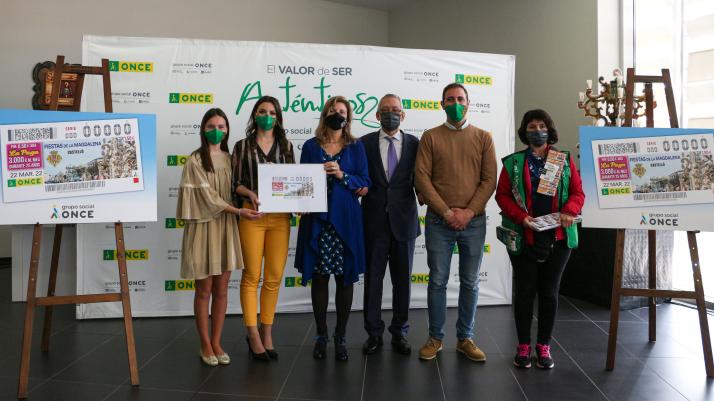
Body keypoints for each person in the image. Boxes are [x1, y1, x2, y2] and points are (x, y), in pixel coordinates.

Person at [495, 109, 584, 369]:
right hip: (525, 236)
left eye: (541, 125)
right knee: (524, 292)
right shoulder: (513, 163)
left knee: (549, 293)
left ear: (550, 129)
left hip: (557, 237)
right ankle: (523, 345)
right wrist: (520, 216)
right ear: (525, 132)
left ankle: (544, 346)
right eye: (531, 126)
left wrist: (570, 211)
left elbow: (578, 192)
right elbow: (502, 195)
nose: (537, 130)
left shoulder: (563, 160)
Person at [414, 83, 497, 362]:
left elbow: (489, 180)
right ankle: (435, 337)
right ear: (441, 104)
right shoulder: (430, 137)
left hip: (473, 223)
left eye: (460, 99)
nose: (456, 103)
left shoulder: (483, 137)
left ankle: (465, 338)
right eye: (450, 99)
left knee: (470, 282)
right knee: (437, 281)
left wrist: (468, 212)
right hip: (439, 221)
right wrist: (448, 213)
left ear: (469, 102)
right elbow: (422, 178)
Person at [176, 108, 262, 366]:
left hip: (226, 228)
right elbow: (208, 199)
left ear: (227, 129)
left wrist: (254, 195)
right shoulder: (194, 160)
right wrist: (238, 211)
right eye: (211, 126)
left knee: (222, 290)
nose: (217, 131)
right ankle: (204, 344)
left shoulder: (231, 158)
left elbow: (238, 186)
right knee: (204, 290)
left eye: (222, 126)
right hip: (204, 228)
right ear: (203, 129)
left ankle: (216, 342)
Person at [295, 96, 371, 361]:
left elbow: (365, 180)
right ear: (324, 114)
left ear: (348, 117)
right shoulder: (310, 146)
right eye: (332, 110)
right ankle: (321, 335)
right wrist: (299, 200)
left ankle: (340, 337)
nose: (337, 114)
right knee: (319, 277)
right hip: (317, 220)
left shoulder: (356, 147)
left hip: (346, 220)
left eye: (342, 111)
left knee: (344, 277)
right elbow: (301, 182)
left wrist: (342, 175)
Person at [232, 96, 295, 361]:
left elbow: (295, 182)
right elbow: (234, 183)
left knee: (273, 277)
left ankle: (267, 331)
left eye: (271, 112)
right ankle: (252, 334)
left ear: (278, 117)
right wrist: (250, 192)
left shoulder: (286, 145)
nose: (267, 115)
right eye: (262, 111)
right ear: (254, 115)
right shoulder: (241, 146)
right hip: (252, 215)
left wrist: (300, 200)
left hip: (280, 218)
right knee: (251, 276)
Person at [359, 94, 420, 355]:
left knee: (402, 281)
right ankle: (373, 333)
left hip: (404, 222)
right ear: (377, 115)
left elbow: (425, 178)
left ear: (403, 115)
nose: (390, 114)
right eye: (385, 110)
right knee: (373, 280)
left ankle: (400, 332)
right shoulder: (364, 143)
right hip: (373, 222)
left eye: (395, 110)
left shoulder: (416, 144)